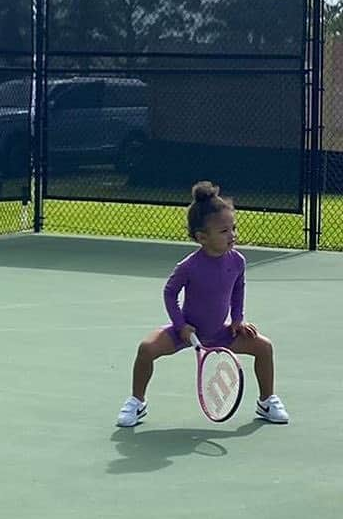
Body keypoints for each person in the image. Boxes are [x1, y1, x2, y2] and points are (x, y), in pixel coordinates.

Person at [115, 180, 289, 428]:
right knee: (146, 349)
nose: (232, 235)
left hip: (221, 333)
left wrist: (238, 320)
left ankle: (267, 401)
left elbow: (238, 289)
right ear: (202, 237)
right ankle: (136, 402)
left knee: (264, 347)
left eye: (233, 228)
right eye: (224, 231)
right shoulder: (188, 266)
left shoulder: (237, 261)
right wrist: (181, 325)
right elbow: (169, 293)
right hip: (185, 333)